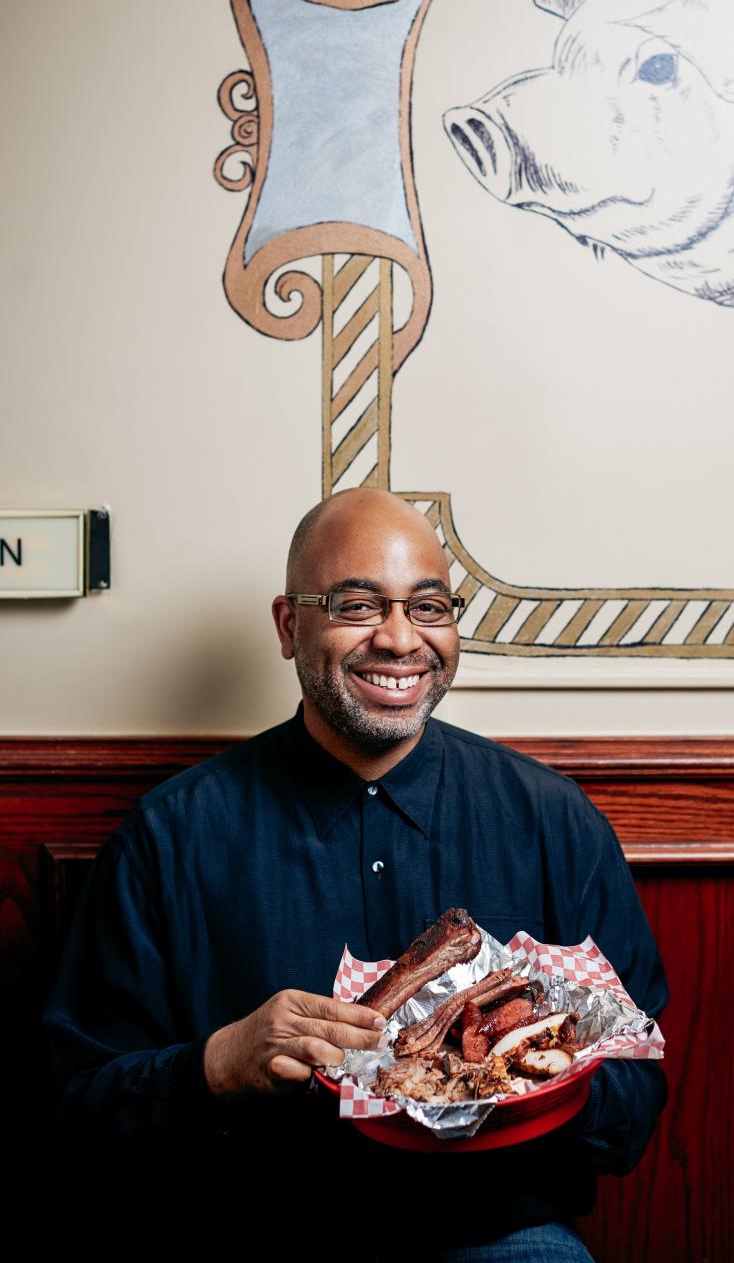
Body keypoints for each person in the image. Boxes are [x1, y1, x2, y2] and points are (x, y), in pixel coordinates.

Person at [43, 489, 667, 1261]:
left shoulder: (554, 820)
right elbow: (75, 1105)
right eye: (357, 605)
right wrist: (215, 1064)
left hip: (494, 1232)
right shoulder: (171, 835)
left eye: (429, 608)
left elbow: (636, 1101)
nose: (401, 639)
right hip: (250, 1230)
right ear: (287, 625)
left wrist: (540, 1074)